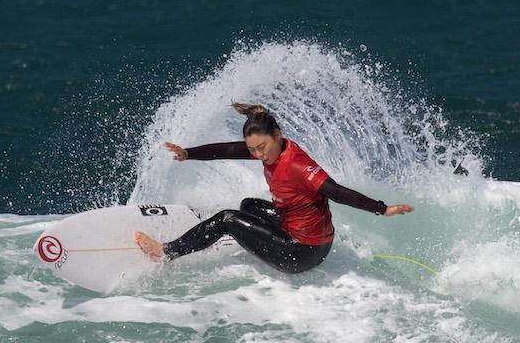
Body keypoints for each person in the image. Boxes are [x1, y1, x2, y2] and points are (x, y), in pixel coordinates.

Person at [134, 102, 414, 274]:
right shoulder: (274, 149)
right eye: (253, 149)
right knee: (249, 206)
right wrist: (188, 153)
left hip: (301, 254)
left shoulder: (295, 164)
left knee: (226, 219)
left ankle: (166, 251)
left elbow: (336, 191)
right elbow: (229, 150)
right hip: (313, 240)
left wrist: (382, 209)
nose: (257, 155)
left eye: (261, 148)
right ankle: (244, 235)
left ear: (277, 136)